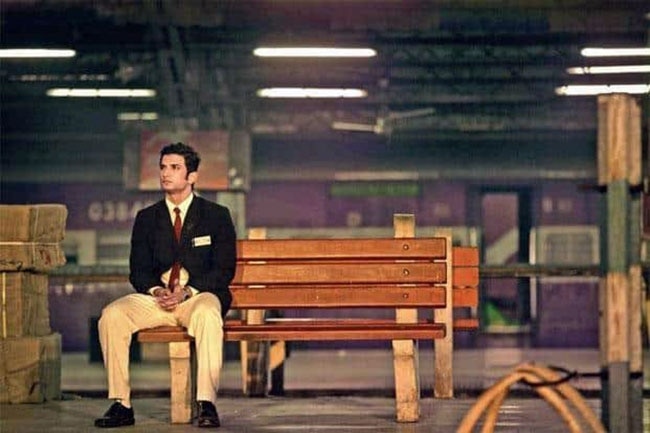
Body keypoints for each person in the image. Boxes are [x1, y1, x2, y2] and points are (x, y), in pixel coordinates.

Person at [94, 142, 237, 428]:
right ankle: (121, 404)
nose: (165, 173)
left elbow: (223, 269)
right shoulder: (147, 218)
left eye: (174, 167)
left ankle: (206, 403)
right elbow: (138, 270)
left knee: (208, 315)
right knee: (112, 315)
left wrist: (187, 292)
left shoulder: (216, 215)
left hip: (197, 296)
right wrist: (157, 290)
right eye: (162, 167)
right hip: (157, 300)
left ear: (192, 176)